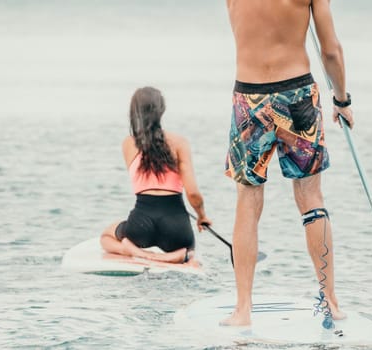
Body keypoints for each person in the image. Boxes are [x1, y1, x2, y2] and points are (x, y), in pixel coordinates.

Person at [222, 0, 354, 326]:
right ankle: (331, 301)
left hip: (250, 97)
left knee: (248, 200)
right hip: (297, 95)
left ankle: (242, 310)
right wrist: (342, 99)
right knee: (310, 198)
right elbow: (331, 51)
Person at [100, 86, 211, 264]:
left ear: (134, 111)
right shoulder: (180, 143)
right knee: (190, 253)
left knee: (106, 235)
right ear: (162, 110)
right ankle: (175, 257)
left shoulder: (128, 144)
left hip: (140, 226)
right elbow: (193, 194)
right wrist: (201, 216)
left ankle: (137, 252)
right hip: (176, 227)